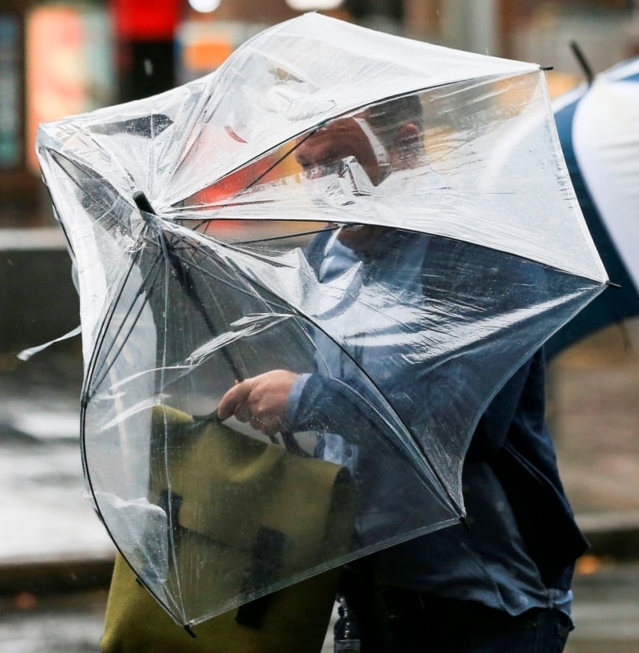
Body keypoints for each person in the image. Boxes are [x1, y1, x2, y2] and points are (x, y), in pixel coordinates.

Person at [217, 96, 587, 653]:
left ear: (406, 145)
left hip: (485, 605)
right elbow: (355, 417)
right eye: (311, 169)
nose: (325, 186)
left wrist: (308, 399)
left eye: (339, 163)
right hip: (370, 598)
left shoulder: (479, 248)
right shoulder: (331, 255)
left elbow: (468, 421)